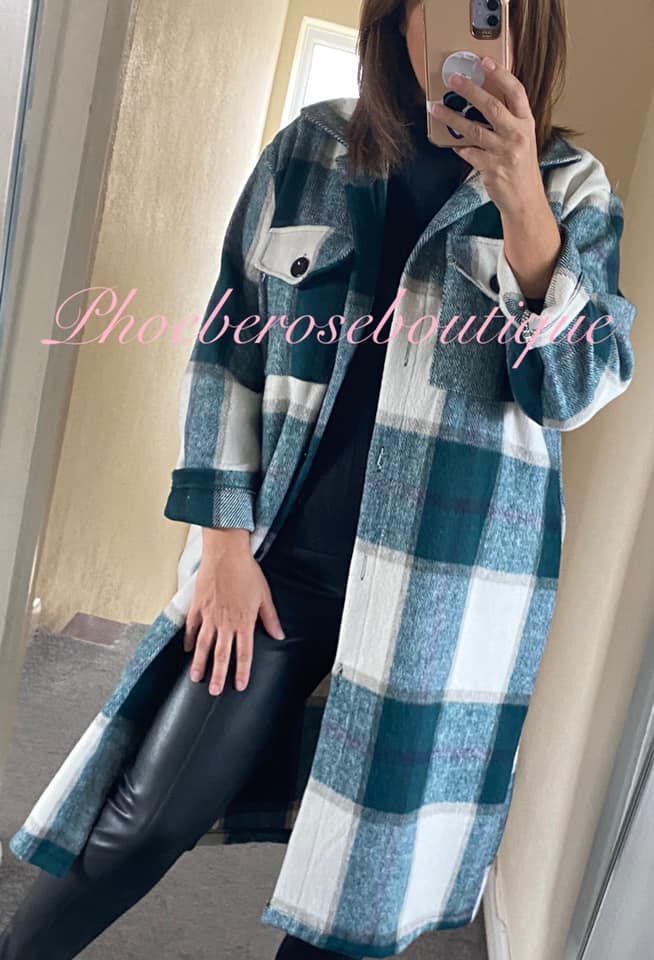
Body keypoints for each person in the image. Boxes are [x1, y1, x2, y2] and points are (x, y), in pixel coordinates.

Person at [1, 1, 637, 958]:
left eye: (493, 7)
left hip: (445, 591)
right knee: (146, 816)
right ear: (402, 18)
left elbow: (573, 391)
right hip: (279, 562)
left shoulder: (569, 189)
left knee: (358, 891)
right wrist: (221, 547)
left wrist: (522, 205)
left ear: (526, 29)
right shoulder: (311, 150)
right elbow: (228, 352)